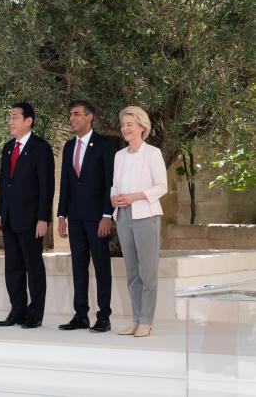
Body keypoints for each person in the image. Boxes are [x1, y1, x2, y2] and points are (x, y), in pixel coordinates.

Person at [57, 100, 116, 333]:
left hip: (97, 218)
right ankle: (80, 315)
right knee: (78, 266)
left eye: (77, 114)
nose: (72, 118)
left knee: (101, 267)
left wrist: (106, 215)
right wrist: (61, 215)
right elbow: (66, 184)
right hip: (76, 218)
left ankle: (104, 316)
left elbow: (109, 183)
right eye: (70, 114)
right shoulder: (69, 147)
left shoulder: (105, 144)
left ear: (89, 117)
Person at [0, 103, 54, 329]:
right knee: (13, 268)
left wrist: (43, 218)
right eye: (10, 117)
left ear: (29, 121)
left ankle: (35, 314)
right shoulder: (8, 147)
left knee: (33, 267)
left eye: (15, 117)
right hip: (9, 219)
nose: (11, 121)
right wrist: (0, 214)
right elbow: (4, 184)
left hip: (31, 220)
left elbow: (46, 187)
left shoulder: (41, 148)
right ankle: (16, 311)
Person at [111, 106, 167, 338]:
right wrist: (114, 196)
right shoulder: (119, 155)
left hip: (146, 216)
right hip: (123, 216)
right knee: (132, 272)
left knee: (147, 271)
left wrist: (135, 196)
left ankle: (146, 321)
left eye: (130, 124)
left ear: (142, 127)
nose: (125, 128)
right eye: (123, 124)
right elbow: (115, 185)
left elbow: (162, 186)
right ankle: (135, 319)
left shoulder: (152, 153)